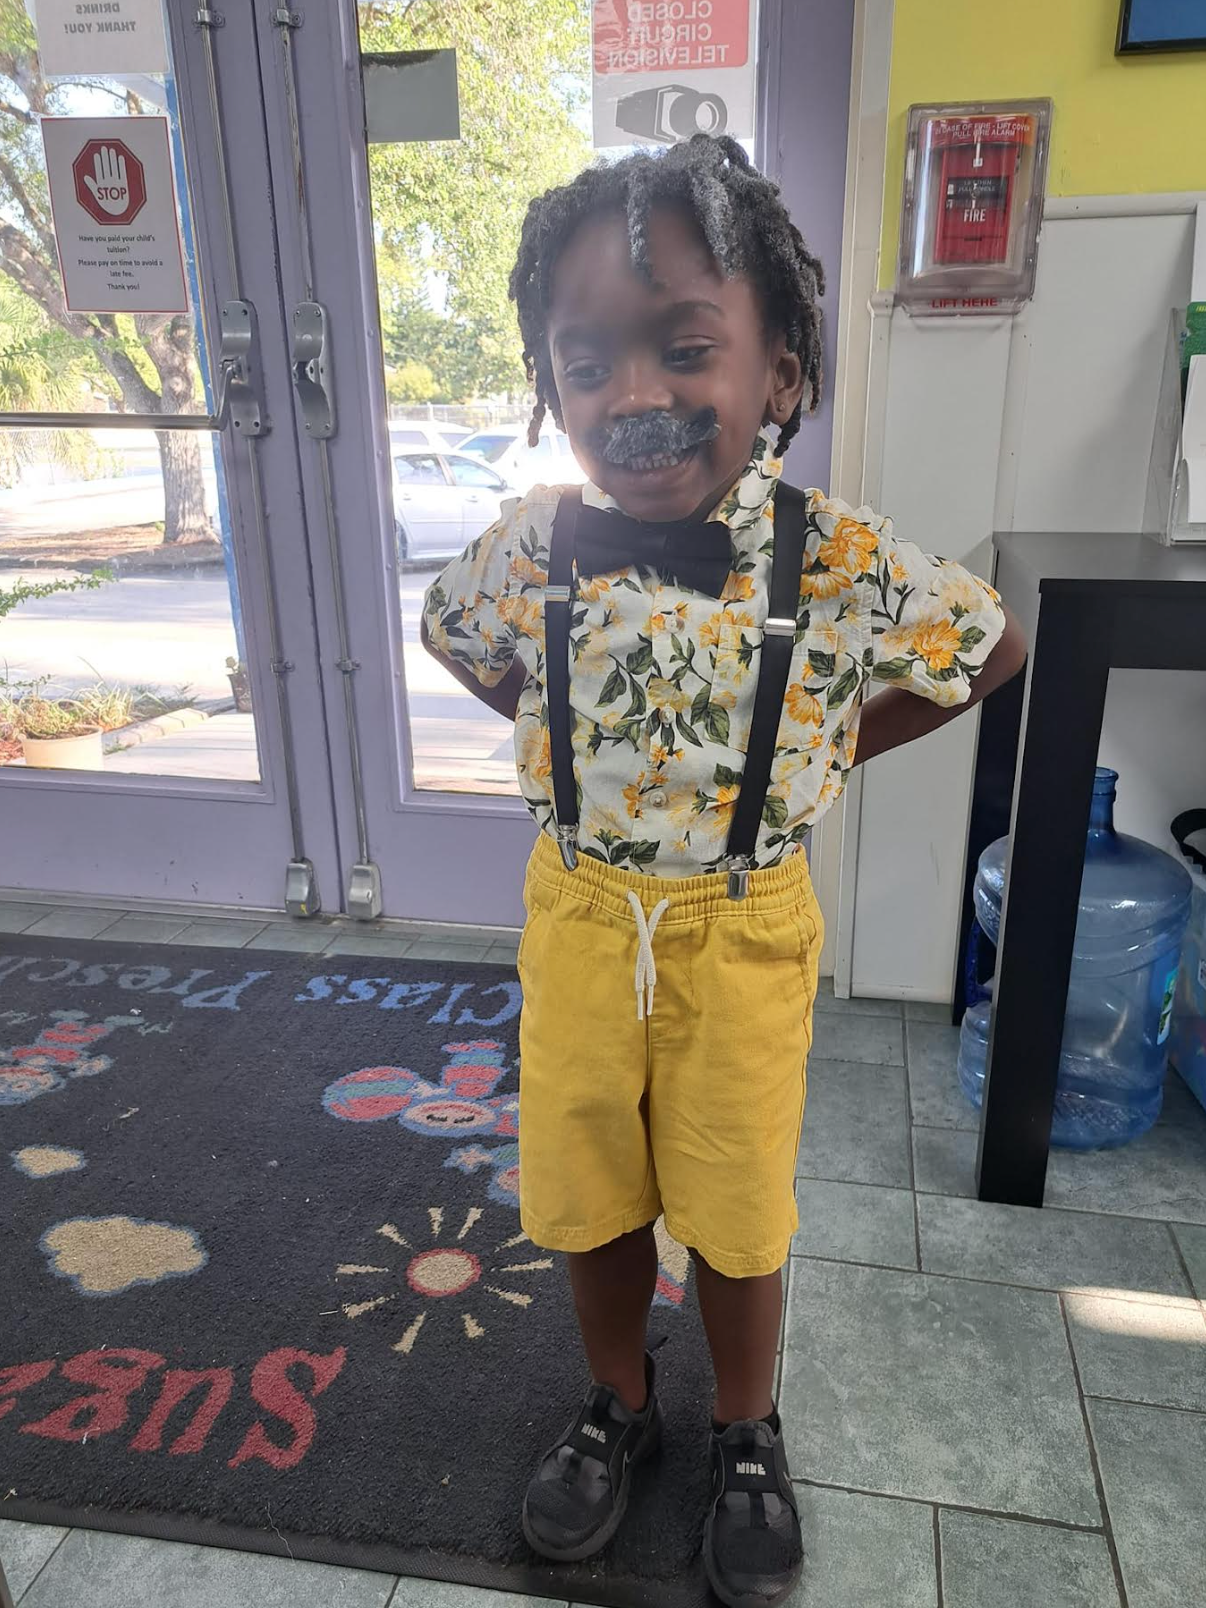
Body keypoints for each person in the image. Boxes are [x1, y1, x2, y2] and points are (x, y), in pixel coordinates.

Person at [422, 133, 1025, 1607]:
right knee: (587, 1186)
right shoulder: (533, 542)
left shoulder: (827, 557)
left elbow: (988, 643)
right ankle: (618, 1400)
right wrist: (556, 729)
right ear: (550, 387)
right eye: (586, 363)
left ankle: (744, 1431)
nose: (633, 393)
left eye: (685, 346)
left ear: (778, 373)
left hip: (743, 929)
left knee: (738, 1203)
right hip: (578, 915)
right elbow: (454, 634)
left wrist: (824, 752)